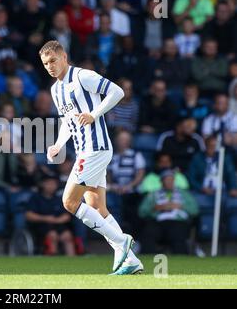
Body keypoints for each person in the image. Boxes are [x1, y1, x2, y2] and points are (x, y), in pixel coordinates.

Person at [40, 40, 142, 275]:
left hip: (95, 149)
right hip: (85, 150)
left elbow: (118, 92)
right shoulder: (56, 89)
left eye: (53, 60)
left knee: (69, 202)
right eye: (45, 64)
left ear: (64, 56)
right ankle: (131, 261)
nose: (50, 66)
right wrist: (57, 144)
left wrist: (94, 114)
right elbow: (67, 120)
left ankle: (122, 240)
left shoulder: (83, 76)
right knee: (97, 207)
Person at [139, 169, 199, 254]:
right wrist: (155, 208)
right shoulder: (153, 194)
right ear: (161, 182)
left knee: (178, 234)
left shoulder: (184, 194)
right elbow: (142, 212)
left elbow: (195, 210)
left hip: (178, 222)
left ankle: (181, 260)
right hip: (159, 222)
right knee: (149, 232)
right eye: (166, 180)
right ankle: (148, 259)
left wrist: (180, 206)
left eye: (171, 179)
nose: (169, 182)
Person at [25, 173, 75, 256]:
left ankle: (73, 259)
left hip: (57, 224)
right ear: (42, 184)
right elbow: (29, 215)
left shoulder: (59, 199)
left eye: (53, 183)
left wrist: (56, 220)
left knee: (67, 235)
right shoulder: (35, 198)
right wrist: (46, 218)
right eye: (49, 183)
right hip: (41, 225)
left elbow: (66, 216)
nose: (51, 186)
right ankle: (53, 257)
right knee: (52, 235)